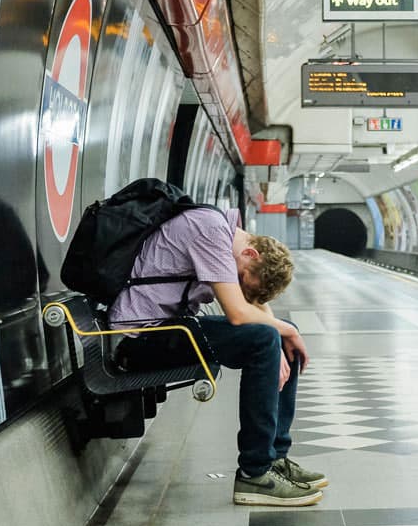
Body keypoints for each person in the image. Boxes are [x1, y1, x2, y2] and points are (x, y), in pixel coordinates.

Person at [108, 206, 324, 507]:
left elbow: (251, 306)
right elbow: (237, 313)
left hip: (169, 330)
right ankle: (255, 472)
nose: (235, 282)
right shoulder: (210, 231)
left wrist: (284, 336)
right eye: (240, 279)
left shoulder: (228, 238)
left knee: (277, 335)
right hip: (140, 339)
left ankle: (275, 457)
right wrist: (282, 334)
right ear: (251, 255)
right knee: (266, 337)